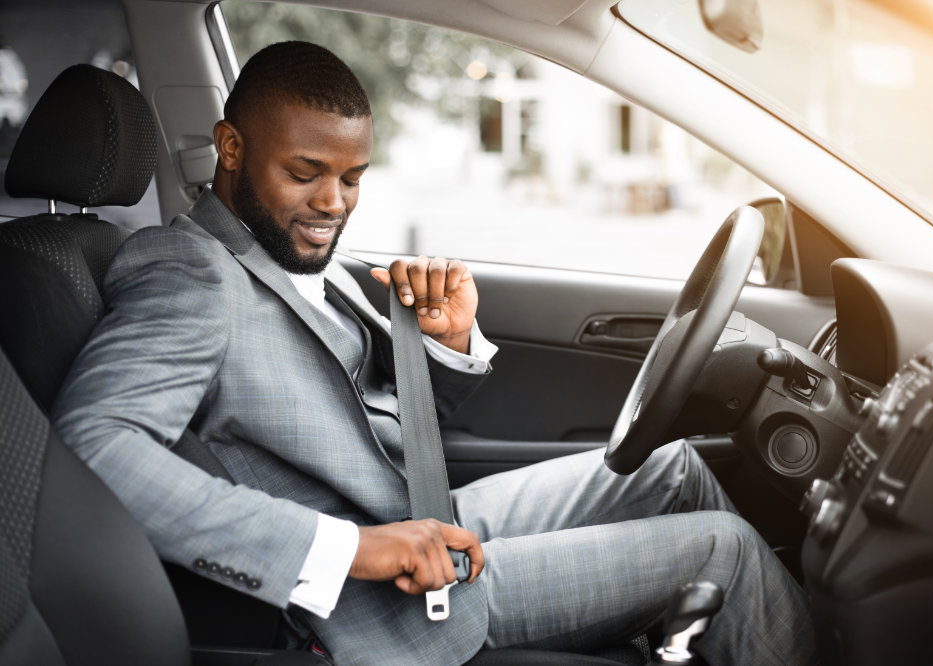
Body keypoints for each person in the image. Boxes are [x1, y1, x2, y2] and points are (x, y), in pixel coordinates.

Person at [52, 41, 816, 665]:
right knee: (726, 551)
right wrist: (350, 549)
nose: (333, 205)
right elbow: (98, 446)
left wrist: (445, 344)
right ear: (230, 146)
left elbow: (355, 420)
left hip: (424, 517)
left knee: (674, 465)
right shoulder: (186, 270)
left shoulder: (292, 260)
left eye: (353, 178)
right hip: (374, 602)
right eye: (304, 174)